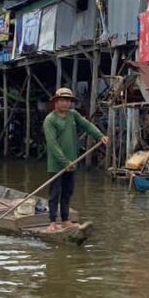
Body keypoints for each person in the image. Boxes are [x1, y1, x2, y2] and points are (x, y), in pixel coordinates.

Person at [42, 87, 108, 231]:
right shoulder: (50, 120)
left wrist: (99, 135)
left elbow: (86, 125)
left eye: (68, 101)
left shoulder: (73, 115)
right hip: (57, 164)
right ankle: (52, 222)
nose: (66, 104)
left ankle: (65, 220)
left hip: (72, 162)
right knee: (54, 193)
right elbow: (52, 144)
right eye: (62, 100)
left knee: (68, 191)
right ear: (56, 102)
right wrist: (64, 162)